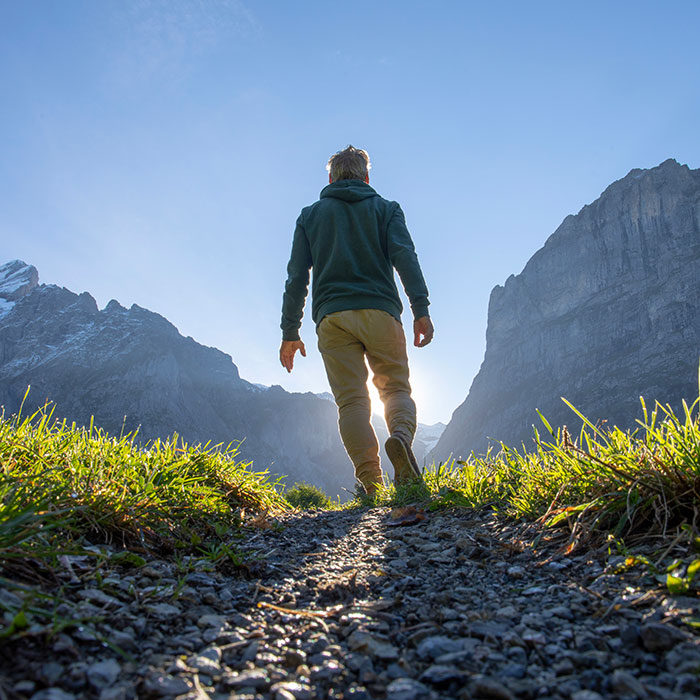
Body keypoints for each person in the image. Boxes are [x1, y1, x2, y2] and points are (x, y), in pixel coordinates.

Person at [279, 145, 433, 496]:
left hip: (332, 319)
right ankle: (401, 442)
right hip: (380, 312)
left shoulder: (310, 216)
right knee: (394, 389)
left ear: (330, 178)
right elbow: (405, 258)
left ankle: (371, 483)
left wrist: (290, 331)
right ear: (366, 176)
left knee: (352, 402)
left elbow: (296, 278)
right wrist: (420, 310)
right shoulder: (386, 209)